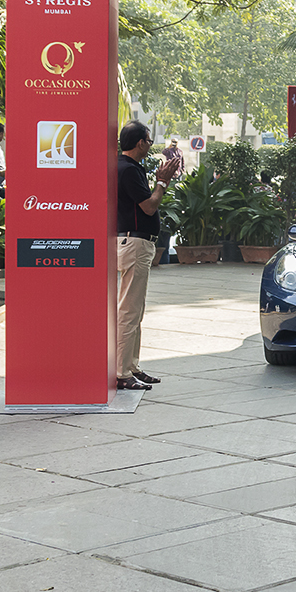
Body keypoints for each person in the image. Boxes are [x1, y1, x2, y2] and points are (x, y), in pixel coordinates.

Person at [116, 121, 180, 392]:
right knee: (129, 310)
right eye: (149, 140)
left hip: (132, 241)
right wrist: (162, 182)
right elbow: (150, 206)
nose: (151, 145)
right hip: (134, 243)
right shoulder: (128, 170)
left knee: (135, 308)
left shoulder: (125, 167)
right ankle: (121, 372)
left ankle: (131, 365)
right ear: (140, 142)